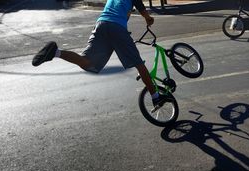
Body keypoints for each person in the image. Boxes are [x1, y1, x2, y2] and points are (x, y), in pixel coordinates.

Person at [32, 0, 167, 106]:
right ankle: (156, 97)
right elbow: (142, 11)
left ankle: (55, 52)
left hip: (101, 24)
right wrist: (149, 19)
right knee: (139, 64)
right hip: (117, 28)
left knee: (87, 62)